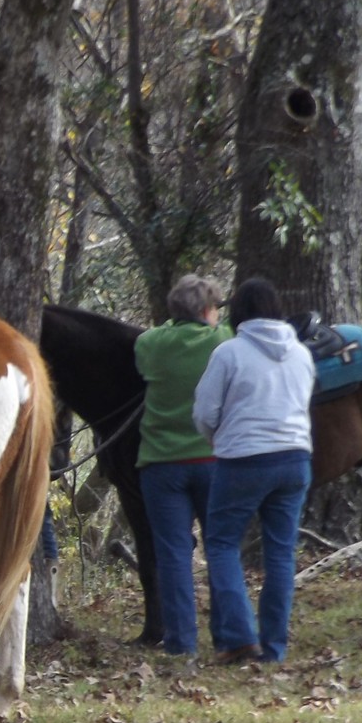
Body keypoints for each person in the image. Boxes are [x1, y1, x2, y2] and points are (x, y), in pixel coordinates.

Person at [192, 275, 315, 665]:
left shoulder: (229, 353)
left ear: (238, 313)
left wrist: (218, 440)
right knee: (281, 554)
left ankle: (241, 637)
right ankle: (274, 648)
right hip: (295, 460)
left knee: (223, 545)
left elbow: (205, 413)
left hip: (243, 460)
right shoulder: (301, 353)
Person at [134, 275, 234, 656]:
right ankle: (226, 635)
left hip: (161, 463)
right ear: (207, 311)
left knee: (173, 553)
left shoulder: (150, 343)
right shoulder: (221, 340)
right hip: (214, 461)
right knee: (220, 547)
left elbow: (150, 340)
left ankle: (180, 643)